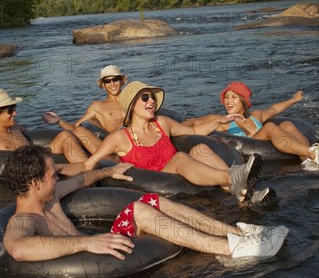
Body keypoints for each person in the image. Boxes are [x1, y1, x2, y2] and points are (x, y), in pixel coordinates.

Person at [3, 145, 289, 262]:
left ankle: (239, 233)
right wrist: (86, 243)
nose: (57, 178)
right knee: (139, 210)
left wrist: (107, 171)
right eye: (53, 175)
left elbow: (79, 180)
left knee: (151, 199)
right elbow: (17, 248)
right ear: (34, 183)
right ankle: (230, 250)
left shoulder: (50, 196)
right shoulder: (24, 220)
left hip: (101, 248)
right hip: (91, 258)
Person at [82, 81, 267, 204]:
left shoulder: (161, 123)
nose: (151, 101)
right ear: (131, 105)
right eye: (145, 98)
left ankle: (246, 195)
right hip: (158, 183)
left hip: (180, 173)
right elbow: (89, 164)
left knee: (200, 148)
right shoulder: (118, 138)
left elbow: (193, 131)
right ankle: (232, 177)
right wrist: (61, 171)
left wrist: (221, 121)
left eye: (152, 97)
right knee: (180, 157)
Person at [183, 82, 319, 171]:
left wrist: (294, 100)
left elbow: (274, 109)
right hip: (249, 154)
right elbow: (194, 122)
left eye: (233, 97)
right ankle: (312, 153)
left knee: (287, 124)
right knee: (270, 127)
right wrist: (174, 126)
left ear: (244, 101)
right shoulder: (221, 120)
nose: (228, 101)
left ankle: (309, 161)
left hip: (273, 146)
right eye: (226, 97)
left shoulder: (256, 116)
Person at [0, 89, 90, 176]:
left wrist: (54, 121)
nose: (15, 113)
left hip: (41, 158)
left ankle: (90, 171)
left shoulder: (16, 127)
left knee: (65, 136)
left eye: (14, 108)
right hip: (26, 174)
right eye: (10, 110)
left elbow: (36, 137)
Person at [42, 65, 127, 155]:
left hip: (133, 142)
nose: (112, 84)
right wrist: (58, 121)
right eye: (107, 81)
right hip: (115, 146)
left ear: (121, 81)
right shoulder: (97, 106)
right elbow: (75, 127)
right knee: (78, 132)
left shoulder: (133, 100)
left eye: (115, 79)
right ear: (103, 85)